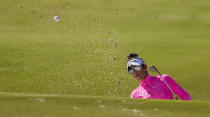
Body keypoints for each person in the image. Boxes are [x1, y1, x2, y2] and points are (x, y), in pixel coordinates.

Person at [127, 53, 191, 100]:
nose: (134, 72)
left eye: (136, 68)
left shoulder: (164, 79)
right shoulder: (135, 95)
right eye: (131, 70)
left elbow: (186, 96)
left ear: (144, 67)